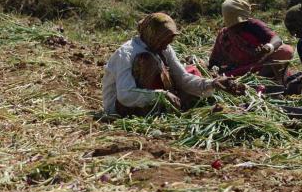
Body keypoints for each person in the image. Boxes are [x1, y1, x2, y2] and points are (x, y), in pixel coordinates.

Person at [103, 12, 243, 117]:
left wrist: (213, 83)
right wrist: (161, 95)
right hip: (120, 106)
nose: (166, 46)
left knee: (192, 76)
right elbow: (125, 94)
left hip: (153, 96)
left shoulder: (163, 48)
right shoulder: (127, 53)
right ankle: (155, 110)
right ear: (152, 35)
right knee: (147, 62)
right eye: (163, 40)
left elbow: (183, 78)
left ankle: (162, 109)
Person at [208, 0, 294, 82]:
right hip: (238, 72)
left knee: (285, 50)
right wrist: (214, 71)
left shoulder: (254, 26)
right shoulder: (224, 35)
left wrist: (267, 48)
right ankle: (256, 83)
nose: (236, 27)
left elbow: (277, 40)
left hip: (261, 67)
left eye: (238, 23)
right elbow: (214, 61)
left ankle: (262, 81)